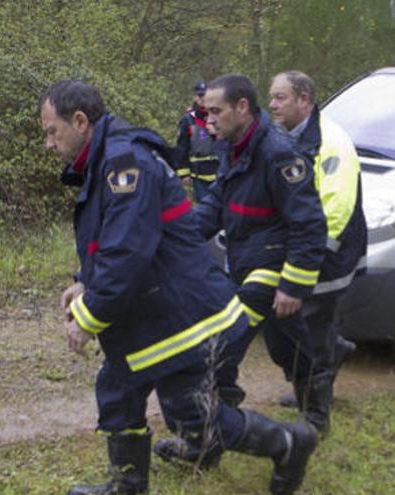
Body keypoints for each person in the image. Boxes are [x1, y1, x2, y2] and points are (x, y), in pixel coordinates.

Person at [40, 79, 316, 495]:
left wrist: (89, 317)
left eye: (51, 131)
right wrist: (84, 282)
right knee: (118, 388)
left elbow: (127, 254)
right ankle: (128, 484)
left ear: (80, 121)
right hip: (155, 308)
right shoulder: (107, 160)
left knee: (191, 413)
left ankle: (288, 443)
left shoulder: (125, 163)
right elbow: (111, 237)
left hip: (183, 315)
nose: (48, 144)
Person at [153, 74, 328, 466]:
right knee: (289, 343)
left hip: (271, 268)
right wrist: (166, 240)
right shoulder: (233, 148)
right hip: (243, 262)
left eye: (216, 111)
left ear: (242, 108)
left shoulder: (280, 153)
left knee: (220, 348)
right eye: (205, 112)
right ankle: (313, 408)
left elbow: (310, 224)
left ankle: (209, 443)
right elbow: (212, 209)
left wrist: (294, 285)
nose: (208, 120)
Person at [267, 70, 367, 427]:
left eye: (280, 97)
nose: (272, 104)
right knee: (294, 326)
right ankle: (317, 375)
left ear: (304, 99)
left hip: (327, 254)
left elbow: (335, 208)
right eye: (272, 96)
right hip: (303, 250)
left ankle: (315, 412)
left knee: (313, 327)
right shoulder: (283, 136)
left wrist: (307, 255)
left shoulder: (331, 142)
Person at [174, 80, 220, 202]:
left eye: (205, 95)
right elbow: (182, 147)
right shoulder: (188, 120)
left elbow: (232, 141)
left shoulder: (221, 115)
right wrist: (183, 173)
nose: (203, 98)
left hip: (221, 175)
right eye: (200, 95)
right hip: (199, 178)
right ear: (195, 97)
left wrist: (217, 133)